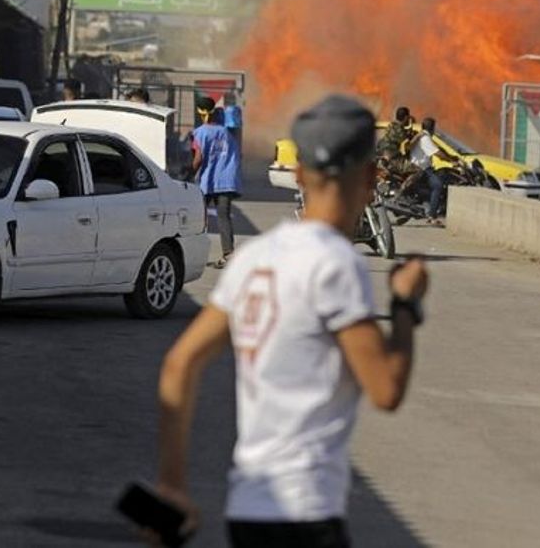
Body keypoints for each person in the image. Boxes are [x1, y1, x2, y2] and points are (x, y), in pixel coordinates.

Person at [153, 95, 428, 548]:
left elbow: (179, 365)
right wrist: (404, 305)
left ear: (299, 175)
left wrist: (172, 485)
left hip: (248, 510)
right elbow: (386, 389)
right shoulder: (337, 263)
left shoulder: (254, 258)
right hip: (307, 513)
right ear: (370, 178)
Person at [192, 96, 241, 268]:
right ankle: (228, 254)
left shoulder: (200, 132)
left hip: (208, 182)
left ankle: (193, 255)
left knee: (197, 217)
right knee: (223, 217)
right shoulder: (227, 132)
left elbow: (198, 159)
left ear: (200, 113)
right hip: (227, 181)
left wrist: (188, 175)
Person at [408, 117, 458, 225]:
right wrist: (451, 161)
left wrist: (450, 156)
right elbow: (437, 153)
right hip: (422, 169)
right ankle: (432, 216)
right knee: (438, 186)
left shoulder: (422, 136)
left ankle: (428, 205)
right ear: (432, 128)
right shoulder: (425, 138)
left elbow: (439, 149)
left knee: (437, 182)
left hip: (420, 168)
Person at [378, 106, 419, 184]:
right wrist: (418, 136)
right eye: (408, 118)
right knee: (418, 170)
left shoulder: (391, 126)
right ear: (406, 117)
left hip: (385, 158)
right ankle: (403, 190)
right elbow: (408, 145)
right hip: (392, 160)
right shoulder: (399, 130)